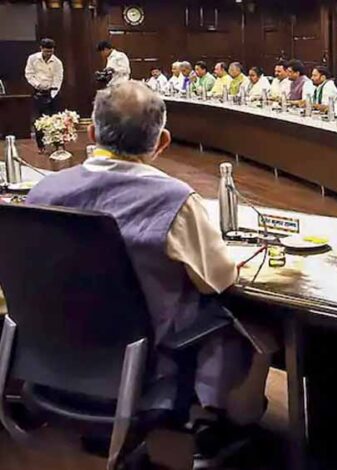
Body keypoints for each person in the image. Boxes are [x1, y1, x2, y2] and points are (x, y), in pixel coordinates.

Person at [26, 81, 274, 467]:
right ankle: (219, 426)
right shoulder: (174, 200)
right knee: (252, 328)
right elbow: (219, 279)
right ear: (162, 141)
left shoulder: (43, 193)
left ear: (92, 135)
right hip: (145, 369)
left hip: (52, 363)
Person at [25, 38, 63, 153]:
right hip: (38, 92)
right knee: (38, 121)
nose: (48, 54)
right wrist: (37, 85)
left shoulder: (57, 62)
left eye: (51, 51)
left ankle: (58, 145)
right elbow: (29, 74)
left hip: (52, 93)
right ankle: (41, 146)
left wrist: (52, 95)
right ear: (41, 48)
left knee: (55, 120)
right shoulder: (32, 58)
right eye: (46, 51)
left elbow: (58, 79)